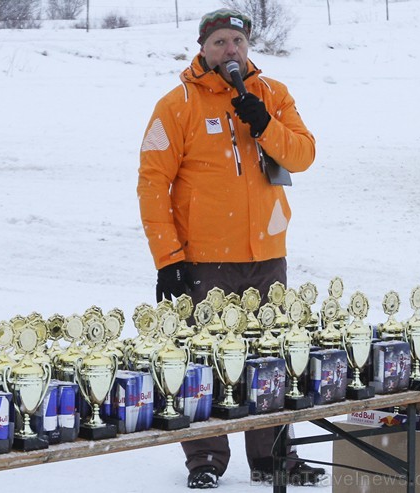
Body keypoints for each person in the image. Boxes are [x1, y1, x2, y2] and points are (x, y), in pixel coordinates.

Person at [137, 8, 324, 489]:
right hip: (204, 261)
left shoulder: (271, 94)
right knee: (206, 361)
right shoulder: (176, 104)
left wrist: (265, 124)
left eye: (237, 41)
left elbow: (302, 155)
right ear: (202, 48)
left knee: (270, 361)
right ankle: (205, 459)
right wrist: (168, 259)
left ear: (248, 47)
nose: (230, 51)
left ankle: (271, 458)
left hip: (267, 257)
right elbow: (152, 184)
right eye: (219, 42)